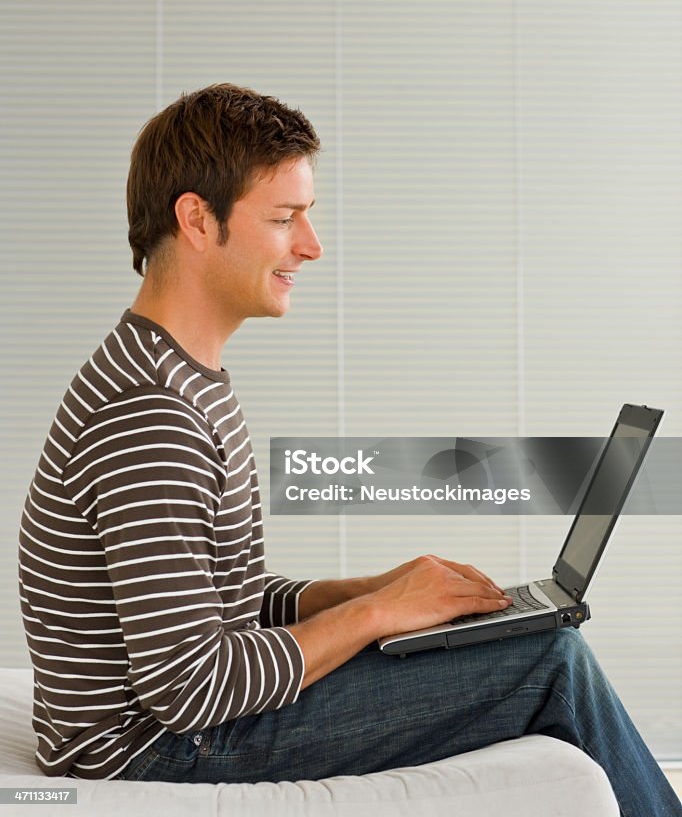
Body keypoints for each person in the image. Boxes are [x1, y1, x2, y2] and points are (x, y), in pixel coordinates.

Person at [19, 83, 680, 815]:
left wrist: (366, 591)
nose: (311, 244)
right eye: (284, 218)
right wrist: (374, 617)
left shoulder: (178, 376)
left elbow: (218, 605)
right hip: (152, 752)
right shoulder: (150, 411)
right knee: (552, 663)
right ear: (197, 219)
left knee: (518, 646)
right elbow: (191, 685)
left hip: (172, 727)